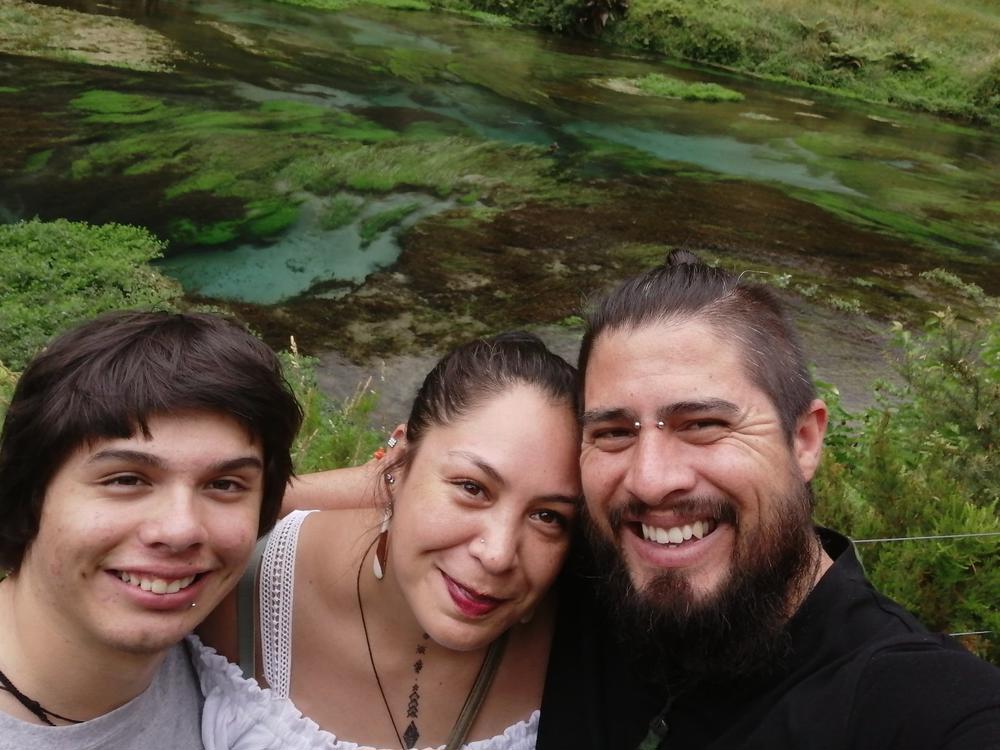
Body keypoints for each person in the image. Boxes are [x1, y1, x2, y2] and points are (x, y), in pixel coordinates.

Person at [535, 249, 1000, 749]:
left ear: (803, 441)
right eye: (614, 432)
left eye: (703, 424)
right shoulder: (552, 584)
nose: (650, 481)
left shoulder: (914, 704)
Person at [198, 332, 583, 749]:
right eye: (472, 488)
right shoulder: (235, 583)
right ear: (397, 463)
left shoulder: (594, 632)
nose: (498, 554)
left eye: (548, 516)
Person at [0, 311, 302, 750]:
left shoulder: (228, 654)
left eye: (224, 485)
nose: (180, 530)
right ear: (30, 493)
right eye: (126, 480)